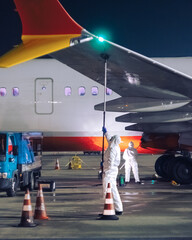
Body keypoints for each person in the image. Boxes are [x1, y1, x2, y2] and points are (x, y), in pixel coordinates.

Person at [102, 127, 123, 215]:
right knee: (112, 189)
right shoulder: (113, 145)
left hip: (110, 171)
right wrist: (106, 132)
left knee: (107, 189)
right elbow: (109, 138)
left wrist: (105, 170)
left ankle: (109, 207)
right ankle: (118, 208)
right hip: (111, 170)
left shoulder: (113, 149)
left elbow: (110, 161)